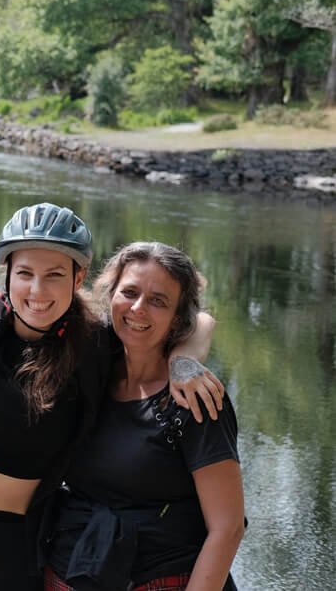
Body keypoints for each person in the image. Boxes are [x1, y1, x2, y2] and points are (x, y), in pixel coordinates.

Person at [0, 34, 224, 591]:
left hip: (14, 554)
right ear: (6, 274)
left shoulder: (94, 340)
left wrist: (184, 362)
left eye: (56, 275)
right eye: (25, 273)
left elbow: (197, 322)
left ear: (80, 279)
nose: (38, 289)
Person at [43, 242, 245, 591]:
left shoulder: (194, 399)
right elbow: (24, 313)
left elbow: (227, 528)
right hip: (68, 574)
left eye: (158, 301)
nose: (138, 309)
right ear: (111, 296)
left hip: (164, 580)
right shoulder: (89, 364)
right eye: (130, 292)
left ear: (178, 319)